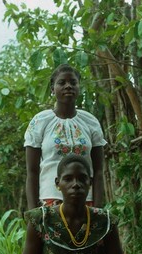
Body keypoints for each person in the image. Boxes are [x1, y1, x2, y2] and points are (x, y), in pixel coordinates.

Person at [25, 64, 106, 209]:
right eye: (62, 83)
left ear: (79, 87)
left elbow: (99, 170)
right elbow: (32, 171)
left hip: (85, 201)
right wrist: (33, 212)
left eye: (73, 82)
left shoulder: (90, 122)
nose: (68, 86)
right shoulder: (40, 121)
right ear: (52, 89)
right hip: (50, 200)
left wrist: (97, 209)